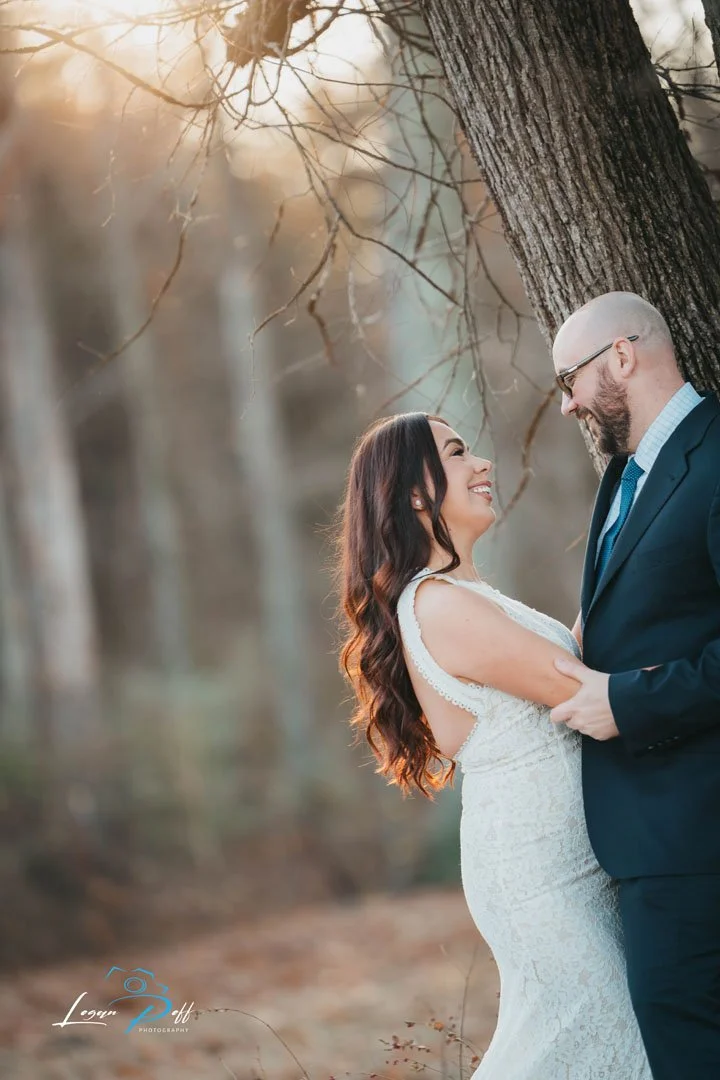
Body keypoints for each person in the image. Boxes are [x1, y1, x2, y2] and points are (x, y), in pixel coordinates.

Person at [335, 411, 651, 1079]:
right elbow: (581, 690)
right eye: (456, 453)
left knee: (596, 1040)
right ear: (414, 493)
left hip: (568, 863)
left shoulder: (464, 595)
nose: (482, 464)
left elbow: (573, 657)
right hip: (538, 874)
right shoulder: (439, 604)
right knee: (599, 1031)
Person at [549, 290, 720, 1080]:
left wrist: (628, 702)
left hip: (698, 836)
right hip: (656, 838)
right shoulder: (624, 475)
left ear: (621, 356)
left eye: (569, 380)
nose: (567, 405)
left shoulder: (715, 457)